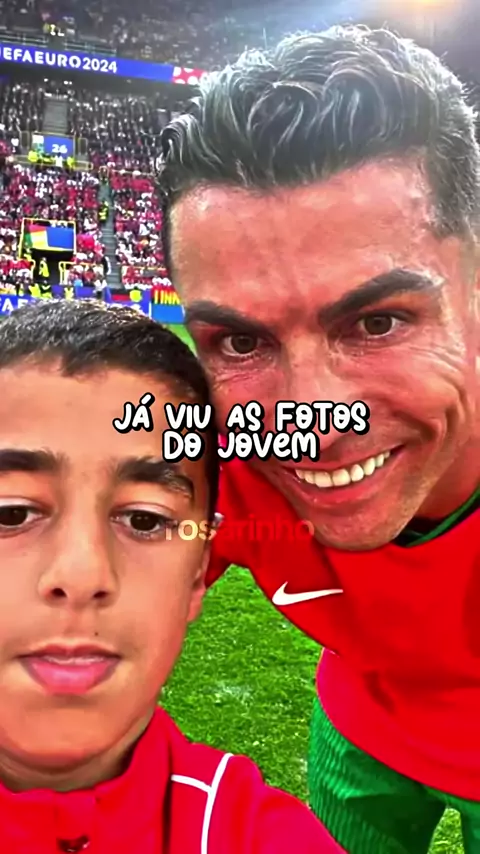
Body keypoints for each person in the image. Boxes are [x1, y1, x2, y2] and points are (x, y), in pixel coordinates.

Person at [158, 25, 480, 854]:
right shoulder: (210, 452)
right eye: (240, 341)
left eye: (377, 322)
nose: (312, 418)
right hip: (360, 726)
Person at [0, 299, 343, 854]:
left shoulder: (254, 837)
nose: (82, 573)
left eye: (144, 519)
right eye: (11, 513)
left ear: (199, 573)